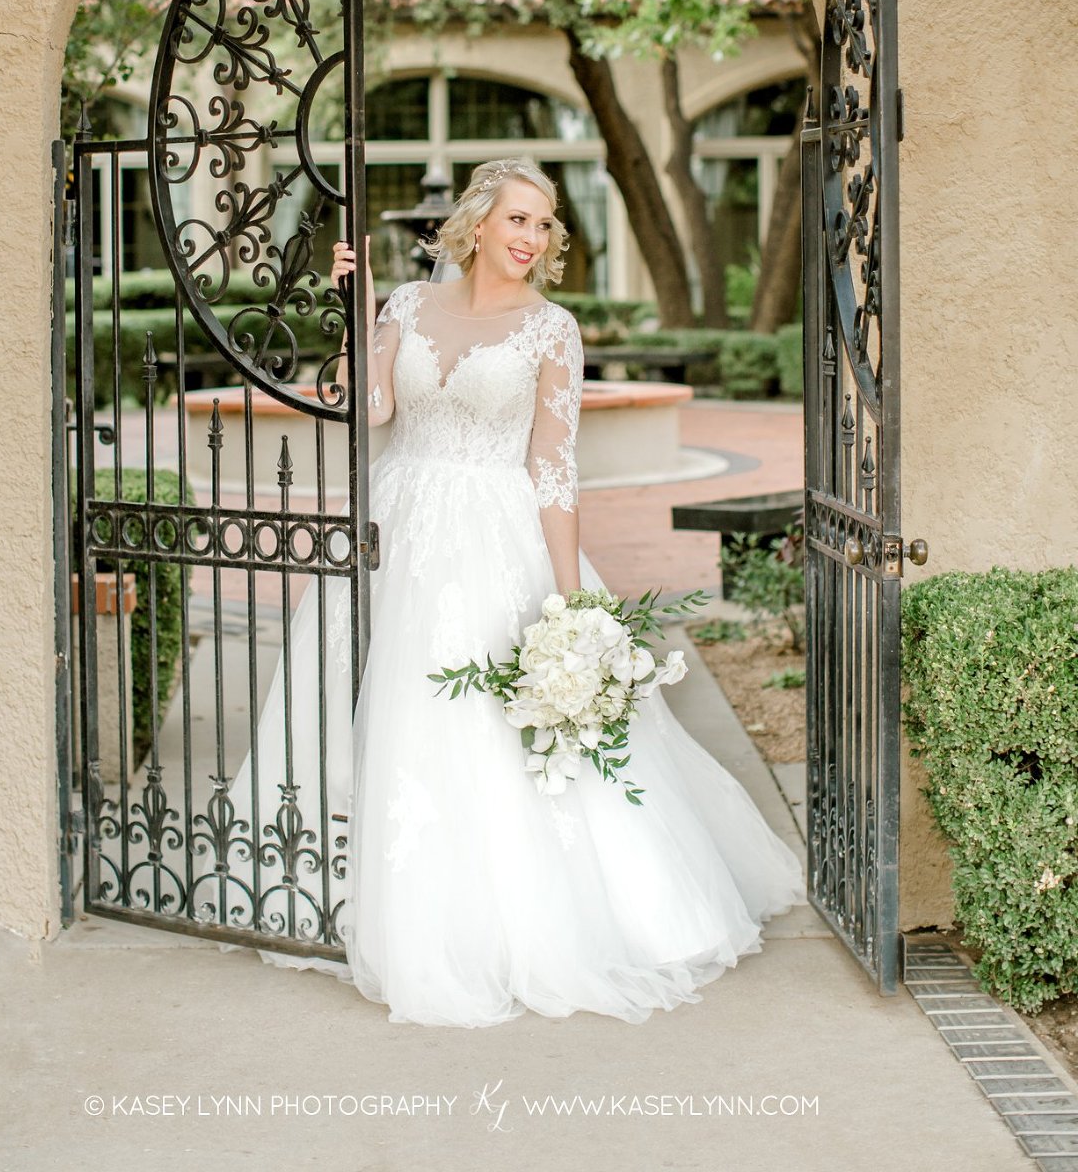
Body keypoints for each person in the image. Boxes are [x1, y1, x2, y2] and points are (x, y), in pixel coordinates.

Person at [226, 157, 805, 1027]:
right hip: (400, 525)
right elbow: (372, 411)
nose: (533, 238)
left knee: (498, 721)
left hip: (498, 537)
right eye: (519, 220)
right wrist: (357, 314)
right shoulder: (407, 307)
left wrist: (573, 607)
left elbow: (553, 466)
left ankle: (511, 917)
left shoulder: (553, 330)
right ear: (476, 223)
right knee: (386, 706)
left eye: (545, 224)